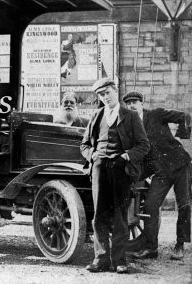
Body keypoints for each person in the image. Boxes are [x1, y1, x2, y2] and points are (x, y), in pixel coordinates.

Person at [80, 78, 149, 274]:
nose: (105, 97)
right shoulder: (96, 116)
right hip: (100, 169)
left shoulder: (131, 116)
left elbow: (144, 145)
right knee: (99, 215)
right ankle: (100, 260)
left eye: (108, 93)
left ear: (115, 91)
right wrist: (92, 155)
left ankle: (119, 261)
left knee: (120, 217)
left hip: (121, 171)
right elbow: (84, 145)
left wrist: (127, 156)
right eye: (101, 95)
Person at [123, 91, 191, 260]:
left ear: (141, 103)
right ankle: (151, 248)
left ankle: (180, 245)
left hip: (180, 164)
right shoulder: (130, 127)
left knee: (183, 204)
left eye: (135, 102)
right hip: (160, 171)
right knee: (150, 206)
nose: (131, 105)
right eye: (128, 103)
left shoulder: (156, 114)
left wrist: (181, 136)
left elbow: (185, 116)